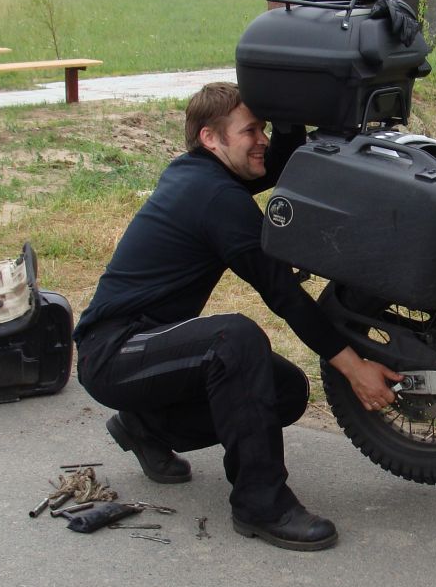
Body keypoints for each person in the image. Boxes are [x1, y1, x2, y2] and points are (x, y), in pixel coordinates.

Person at [73, 82, 399, 551]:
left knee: (285, 390)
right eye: (250, 131)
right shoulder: (213, 196)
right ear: (211, 138)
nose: (261, 139)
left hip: (149, 346)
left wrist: (290, 107)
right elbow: (282, 293)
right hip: (113, 353)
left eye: (263, 128)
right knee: (235, 339)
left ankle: (145, 427)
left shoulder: (202, 175)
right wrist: (354, 368)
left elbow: (278, 163)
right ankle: (260, 503)